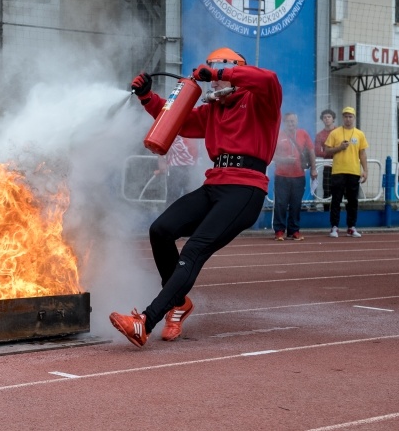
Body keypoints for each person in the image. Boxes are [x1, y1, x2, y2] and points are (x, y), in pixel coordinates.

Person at [109, 47, 282, 347]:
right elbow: (182, 122)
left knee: (193, 251)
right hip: (215, 185)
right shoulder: (213, 110)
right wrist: (147, 98)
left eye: (218, 77)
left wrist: (217, 72)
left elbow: (268, 79)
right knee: (160, 230)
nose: (212, 84)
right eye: (211, 78)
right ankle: (179, 304)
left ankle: (145, 322)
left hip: (246, 189)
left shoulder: (261, 100)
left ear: (233, 74)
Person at [324, 106, 369, 238]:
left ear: (354, 118)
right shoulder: (335, 133)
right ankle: (334, 227)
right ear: (342, 118)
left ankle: (351, 227)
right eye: (345, 116)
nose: (348, 119)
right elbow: (327, 150)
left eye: (350, 116)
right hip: (338, 171)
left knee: (353, 201)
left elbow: (362, 153)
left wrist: (365, 170)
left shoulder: (359, 134)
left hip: (354, 171)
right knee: (336, 200)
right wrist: (339, 147)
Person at [271, 112, 316, 241]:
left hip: (298, 175)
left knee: (296, 204)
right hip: (282, 175)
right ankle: (279, 231)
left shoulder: (303, 134)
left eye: (293, 121)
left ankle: (294, 231)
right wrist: (284, 160)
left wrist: (313, 169)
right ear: (284, 123)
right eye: (289, 121)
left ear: (297, 122)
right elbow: (272, 154)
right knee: (281, 204)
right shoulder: (278, 135)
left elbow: (311, 151)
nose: (291, 124)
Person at [157, 135, 200, 206]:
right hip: (180, 167)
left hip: (185, 167)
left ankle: (174, 215)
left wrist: (162, 166)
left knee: (176, 197)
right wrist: (162, 165)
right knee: (183, 196)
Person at [314, 109, 336, 211]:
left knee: (341, 190)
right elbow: (317, 151)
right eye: (324, 117)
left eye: (329, 117)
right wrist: (332, 152)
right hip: (327, 165)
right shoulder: (320, 135)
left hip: (340, 165)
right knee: (327, 190)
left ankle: (339, 212)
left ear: (333, 119)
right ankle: (326, 212)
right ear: (322, 120)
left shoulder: (339, 132)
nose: (327, 119)